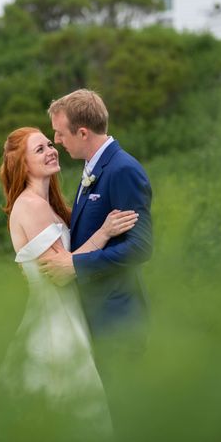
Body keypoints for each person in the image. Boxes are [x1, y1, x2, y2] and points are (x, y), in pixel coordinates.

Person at [0, 126, 138, 434]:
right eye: (39, 149)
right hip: (55, 320)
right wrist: (105, 232)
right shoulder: (30, 205)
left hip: (69, 311)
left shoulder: (47, 202)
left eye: (49, 143)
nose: (51, 150)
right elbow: (61, 272)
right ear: (23, 164)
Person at [41, 89, 153, 355]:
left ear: (82, 133)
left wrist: (76, 265)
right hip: (93, 316)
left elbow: (141, 247)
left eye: (60, 133)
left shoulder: (123, 169)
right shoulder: (94, 165)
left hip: (117, 319)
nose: (56, 140)